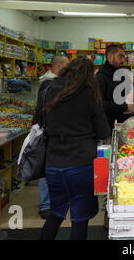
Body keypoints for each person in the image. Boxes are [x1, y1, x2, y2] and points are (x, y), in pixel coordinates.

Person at [38, 57, 111, 240]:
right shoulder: (88, 93)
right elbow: (103, 131)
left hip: (53, 163)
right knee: (80, 220)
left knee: (56, 214)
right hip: (81, 164)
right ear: (89, 75)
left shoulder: (47, 89)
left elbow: (39, 124)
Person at [32, 55, 70, 220]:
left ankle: (51, 202)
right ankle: (45, 204)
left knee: (50, 167)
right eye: (67, 65)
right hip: (46, 131)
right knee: (45, 168)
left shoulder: (51, 81)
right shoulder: (49, 83)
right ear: (60, 65)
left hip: (49, 130)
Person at [96, 44, 134, 129]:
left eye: (124, 57)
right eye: (120, 56)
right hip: (109, 125)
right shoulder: (101, 77)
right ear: (110, 56)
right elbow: (100, 104)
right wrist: (125, 106)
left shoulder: (122, 73)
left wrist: (132, 97)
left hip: (124, 121)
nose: (123, 60)